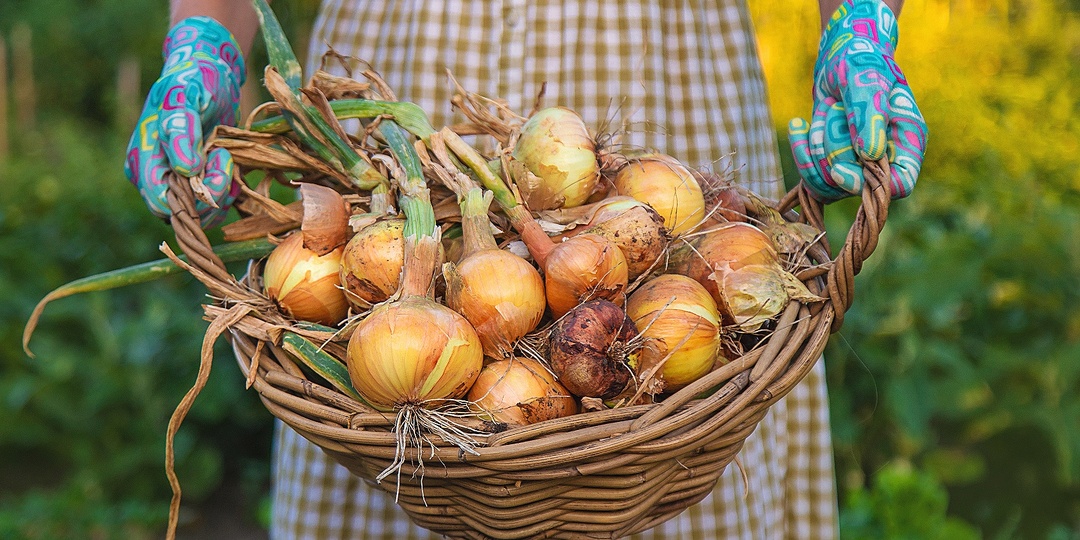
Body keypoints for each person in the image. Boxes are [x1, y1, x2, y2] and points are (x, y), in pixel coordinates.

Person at [125, 0, 926, 538]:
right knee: (376, 367)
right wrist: (206, 41)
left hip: (666, 98)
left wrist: (859, 27)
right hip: (398, 109)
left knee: (702, 316)